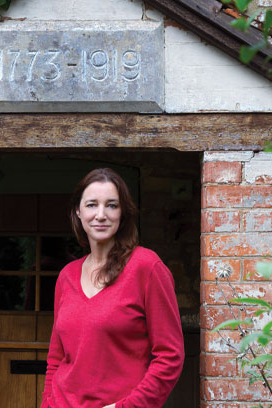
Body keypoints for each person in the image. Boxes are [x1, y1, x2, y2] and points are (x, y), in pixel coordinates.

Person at [41, 168, 185, 408]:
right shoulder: (67, 276)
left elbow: (170, 356)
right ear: (78, 211)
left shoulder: (147, 268)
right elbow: (56, 358)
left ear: (123, 213)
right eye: (91, 205)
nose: (100, 215)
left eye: (111, 205)